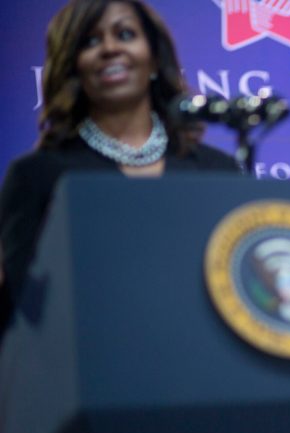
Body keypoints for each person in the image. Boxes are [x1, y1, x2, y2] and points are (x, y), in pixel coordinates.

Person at [0, 0, 241, 336]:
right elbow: (26, 313)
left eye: (125, 34)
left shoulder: (218, 170)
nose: (110, 48)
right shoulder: (37, 176)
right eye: (90, 41)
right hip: (84, 373)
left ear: (154, 58)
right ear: (73, 67)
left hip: (209, 371)